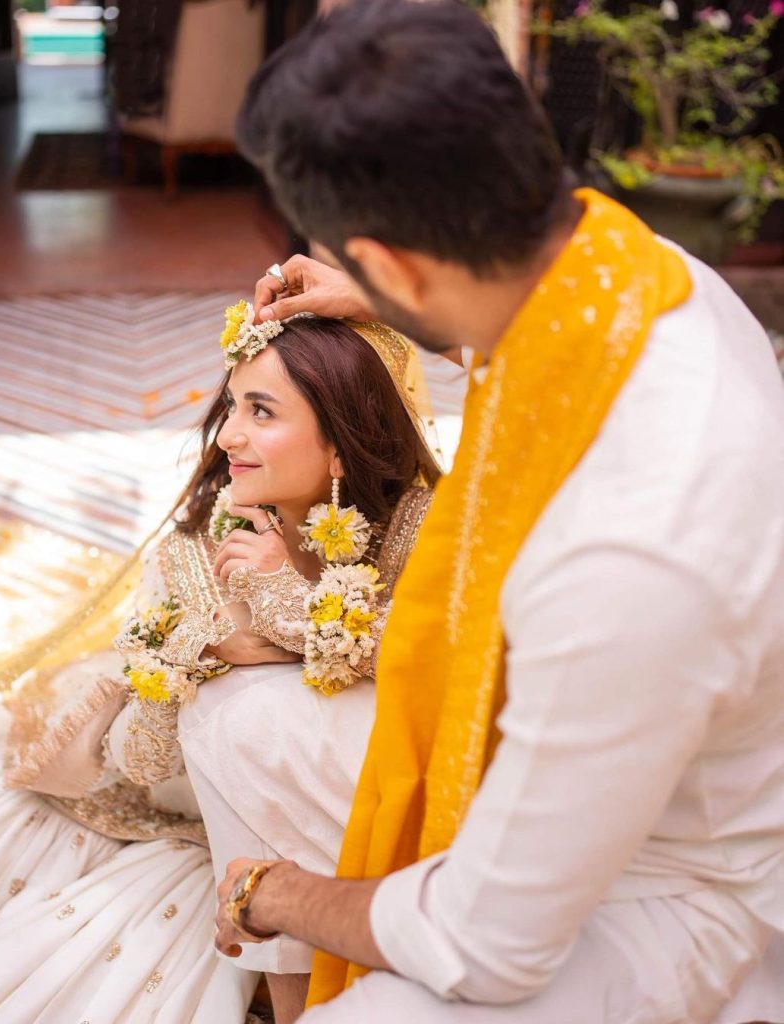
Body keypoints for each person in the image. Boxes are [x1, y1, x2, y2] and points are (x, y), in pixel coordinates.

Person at [212, 3, 784, 1023]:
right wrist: (384, 298)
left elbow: (489, 947)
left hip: (683, 890)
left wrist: (278, 894)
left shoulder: (630, 546)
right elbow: (532, 347)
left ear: (396, 256)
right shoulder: (642, 276)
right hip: (598, 753)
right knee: (235, 719)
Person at [0, 313, 440, 1024]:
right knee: (236, 708)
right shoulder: (201, 550)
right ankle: (292, 1001)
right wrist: (185, 662)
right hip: (214, 785)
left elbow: (446, 668)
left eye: (261, 411)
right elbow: (144, 760)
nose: (226, 436)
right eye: (232, 405)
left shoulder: (423, 530)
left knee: (263, 702)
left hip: (387, 781)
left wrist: (290, 609)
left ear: (342, 446)